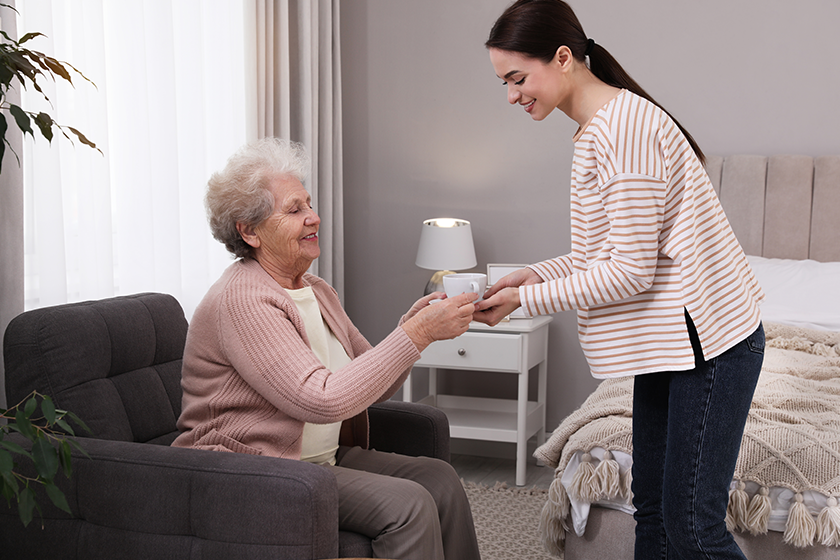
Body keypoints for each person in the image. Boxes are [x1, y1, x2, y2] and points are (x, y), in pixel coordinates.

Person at [476, 1, 765, 559]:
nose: (510, 94)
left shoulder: (623, 130)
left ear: (563, 58)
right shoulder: (599, 127)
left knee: (691, 528)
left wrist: (526, 299)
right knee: (653, 511)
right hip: (669, 344)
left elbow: (629, 274)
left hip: (709, 344)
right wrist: (535, 275)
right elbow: (608, 254)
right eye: (503, 82)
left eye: (516, 78)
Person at [172, 137, 481, 560]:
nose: (314, 218)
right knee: (409, 506)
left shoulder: (315, 290)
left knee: (439, 480)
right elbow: (322, 400)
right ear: (249, 231)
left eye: (310, 204)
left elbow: (372, 382)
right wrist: (418, 336)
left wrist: (409, 329)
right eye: (294, 209)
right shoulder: (244, 300)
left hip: (318, 460)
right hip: (257, 471)